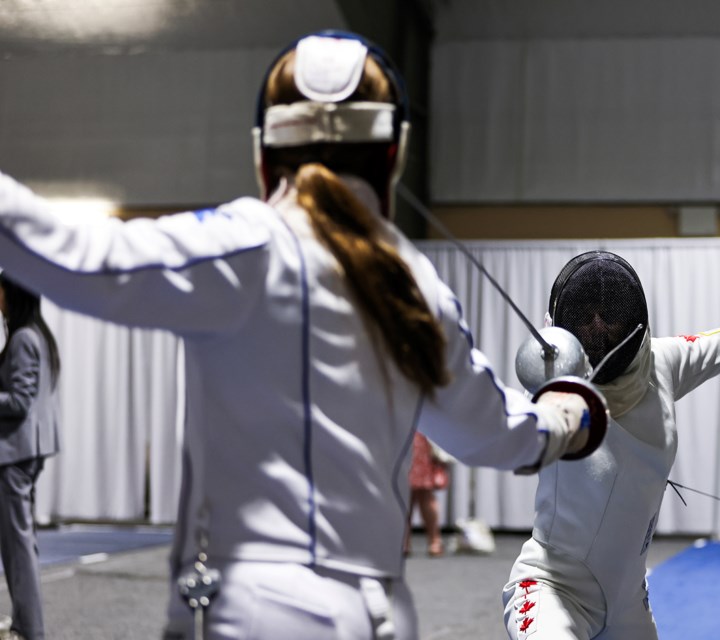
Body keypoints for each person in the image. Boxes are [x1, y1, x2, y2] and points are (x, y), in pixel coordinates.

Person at [0, 31, 607, 640]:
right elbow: (495, 436)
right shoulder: (416, 284)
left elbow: (74, 255)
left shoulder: (244, 246)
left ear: (265, 152)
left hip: (247, 613)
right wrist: (571, 416)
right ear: (394, 154)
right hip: (373, 616)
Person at [503, 245, 720, 640]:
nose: (597, 327)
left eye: (607, 318)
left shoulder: (663, 361)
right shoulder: (551, 394)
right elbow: (493, 427)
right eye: (588, 321)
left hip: (626, 600)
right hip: (552, 590)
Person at [0, 273, 61, 640]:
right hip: (27, 450)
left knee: (18, 545)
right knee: (22, 542)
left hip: (15, 453)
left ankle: (31, 630)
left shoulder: (24, 338)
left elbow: (20, 401)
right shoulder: (36, 334)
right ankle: (26, 624)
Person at [404, 433, 451, 557]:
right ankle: (434, 541)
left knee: (408, 494)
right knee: (422, 493)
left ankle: (404, 542)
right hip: (421, 434)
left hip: (411, 436)